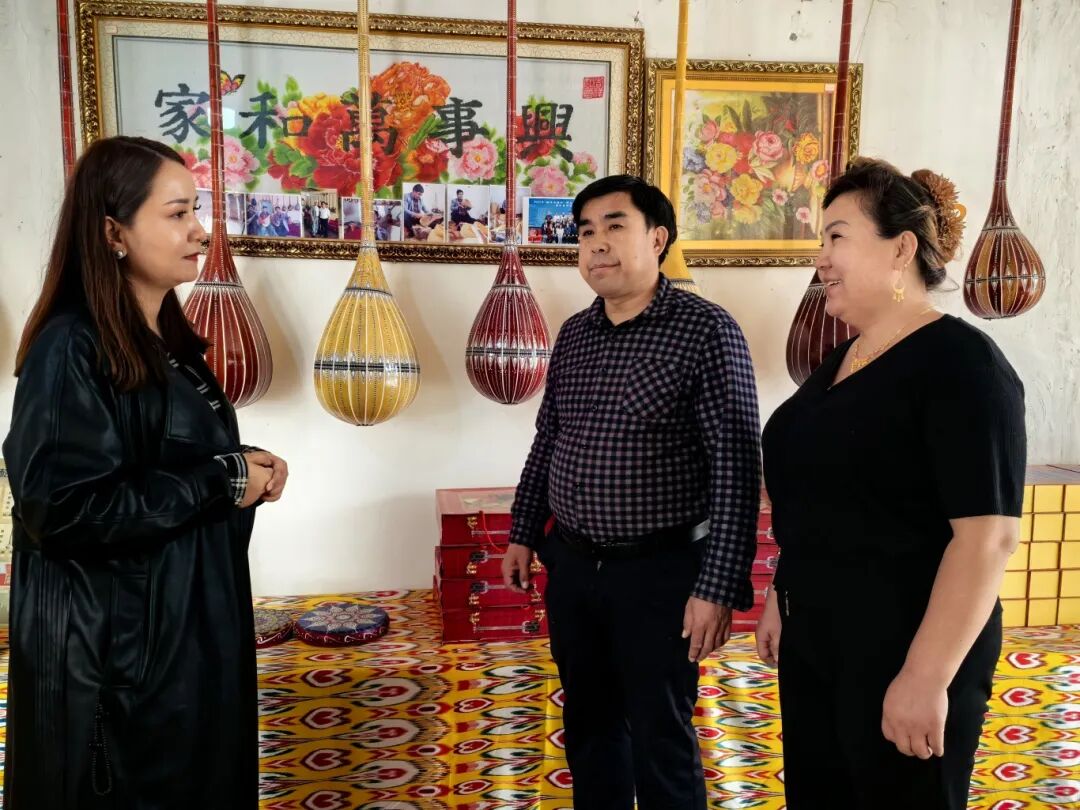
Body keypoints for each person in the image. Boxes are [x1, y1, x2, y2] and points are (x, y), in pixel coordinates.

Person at [1, 135, 289, 808]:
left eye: (197, 211)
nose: (200, 232)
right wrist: (219, 480)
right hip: (117, 678)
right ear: (113, 233)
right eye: (178, 213)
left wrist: (243, 472)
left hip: (186, 653)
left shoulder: (170, 345)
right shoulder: (70, 347)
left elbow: (162, 469)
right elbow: (60, 508)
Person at [755, 158, 1026, 810]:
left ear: (901, 249)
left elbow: (986, 539)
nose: (821, 259)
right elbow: (825, 500)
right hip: (818, 642)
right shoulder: (841, 361)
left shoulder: (962, 365)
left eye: (837, 237)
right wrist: (782, 596)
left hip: (905, 646)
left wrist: (924, 677)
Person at [502, 174, 761, 809]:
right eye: (585, 231)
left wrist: (717, 588)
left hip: (661, 575)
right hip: (574, 566)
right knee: (589, 728)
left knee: (660, 736)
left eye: (615, 226)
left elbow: (736, 467)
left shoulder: (706, 330)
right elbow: (548, 440)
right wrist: (522, 532)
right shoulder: (575, 334)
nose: (597, 243)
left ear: (658, 238)